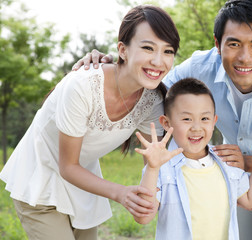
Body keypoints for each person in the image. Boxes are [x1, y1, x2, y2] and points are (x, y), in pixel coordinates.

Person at [73, 0, 252, 239]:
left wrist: (249, 162)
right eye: (234, 44)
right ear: (217, 44)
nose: (245, 57)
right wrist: (112, 67)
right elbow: (151, 84)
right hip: (234, 177)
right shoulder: (200, 67)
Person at [0, 5, 180, 240]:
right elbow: (67, 166)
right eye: (148, 48)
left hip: (84, 184)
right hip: (40, 180)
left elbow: (156, 160)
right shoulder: (82, 86)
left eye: (168, 51)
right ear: (122, 50)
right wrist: (121, 193)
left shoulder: (152, 100)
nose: (158, 61)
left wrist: (147, 198)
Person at [134, 78, 252, 240]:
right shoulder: (161, 168)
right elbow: (143, 217)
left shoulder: (225, 161)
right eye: (187, 119)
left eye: (204, 119)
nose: (196, 127)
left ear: (214, 122)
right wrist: (152, 168)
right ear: (166, 122)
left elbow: (250, 200)